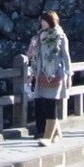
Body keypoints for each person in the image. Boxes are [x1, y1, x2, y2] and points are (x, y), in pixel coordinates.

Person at [26, 11, 72, 145]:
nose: (42, 23)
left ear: (51, 21)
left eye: (45, 21)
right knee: (44, 104)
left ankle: (47, 137)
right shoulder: (40, 36)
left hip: (55, 73)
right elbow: (34, 56)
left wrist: (69, 75)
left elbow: (66, 57)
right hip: (42, 73)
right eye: (42, 21)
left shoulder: (60, 36)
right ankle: (56, 133)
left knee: (51, 104)